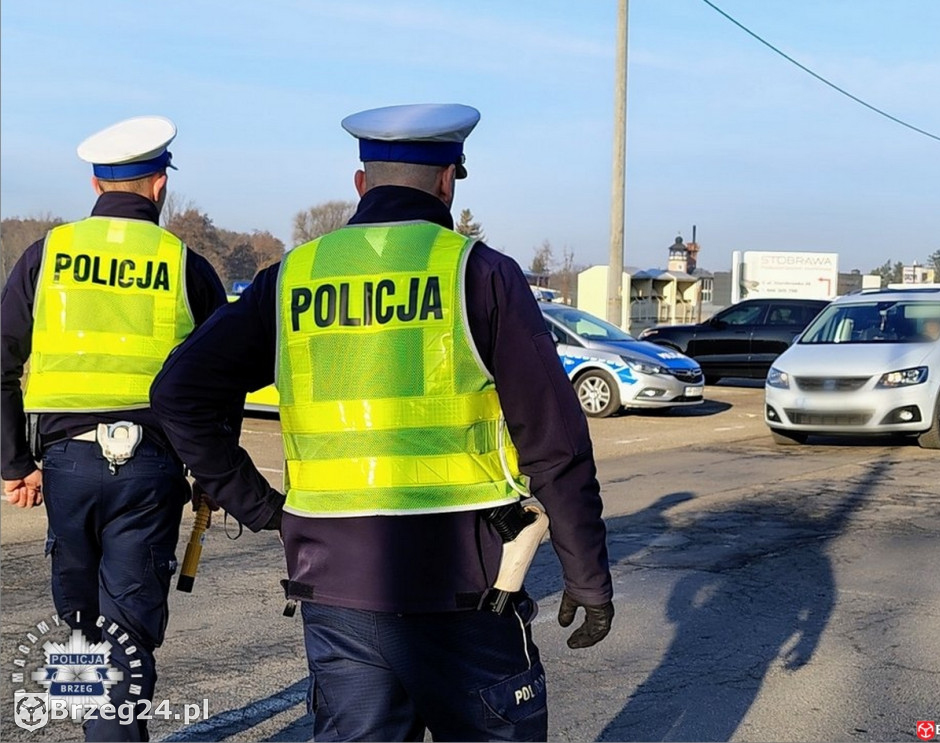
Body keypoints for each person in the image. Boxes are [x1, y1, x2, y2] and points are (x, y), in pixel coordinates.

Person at [149, 103, 614, 742]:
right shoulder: (477, 272)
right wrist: (585, 571)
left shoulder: (293, 277)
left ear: (361, 184)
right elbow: (553, 443)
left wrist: (263, 509)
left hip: (336, 590)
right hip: (466, 588)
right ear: (448, 181)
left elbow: (178, 391)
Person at [0, 116, 228, 742]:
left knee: (80, 625)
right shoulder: (185, 263)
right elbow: (223, 378)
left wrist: (16, 463)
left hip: (67, 466)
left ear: (96, 182)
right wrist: (215, 473)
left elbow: (2, 360)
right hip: (152, 467)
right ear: (159, 187)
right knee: (125, 627)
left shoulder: (46, 254)